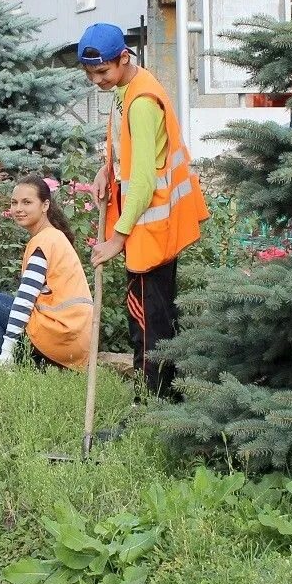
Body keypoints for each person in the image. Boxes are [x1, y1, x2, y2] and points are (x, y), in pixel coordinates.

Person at [80, 22, 209, 399]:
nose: (96, 81)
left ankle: (152, 406)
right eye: (90, 74)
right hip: (150, 227)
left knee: (148, 324)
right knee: (160, 319)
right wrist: (108, 169)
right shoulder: (129, 87)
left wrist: (116, 239)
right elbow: (133, 151)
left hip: (148, 233)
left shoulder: (140, 102)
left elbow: (144, 182)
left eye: (102, 71)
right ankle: (171, 400)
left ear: (123, 58)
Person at [0, 176, 93, 369]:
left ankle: (1, 370)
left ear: (45, 205)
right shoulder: (54, 237)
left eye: (27, 202)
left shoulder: (44, 241)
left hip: (61, 335)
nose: (18, 208)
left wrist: (7, 350)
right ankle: (31, 367)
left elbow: (24, 300)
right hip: (74, 337)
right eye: (14, 202)